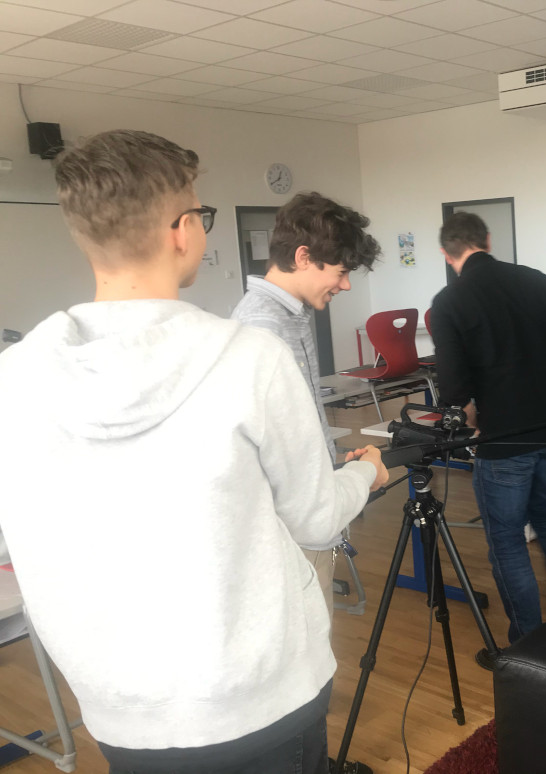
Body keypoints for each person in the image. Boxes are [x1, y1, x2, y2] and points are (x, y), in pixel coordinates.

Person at [0, 129, 389, 774]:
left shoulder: (14, 378)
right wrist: (368, 475)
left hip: (122, 713)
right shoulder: (250, 357)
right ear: (183, 230)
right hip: (261, 699)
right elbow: (318, 520)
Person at [430, 211, 546, 646]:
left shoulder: (448, 302)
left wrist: (468, 409)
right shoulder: (537, 281)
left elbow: (453, 386)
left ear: (446, 254)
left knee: (506, 540)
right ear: (487, 239)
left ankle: (528, 644)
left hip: (504, 437)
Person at [232, 191, 381, 620]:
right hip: (289, 536)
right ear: (303, 257)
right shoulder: (263, 329)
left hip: (301, 523)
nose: (345, 284)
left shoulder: (290, 315)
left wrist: (331, 469)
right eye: (341, 272)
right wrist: (363, 475)